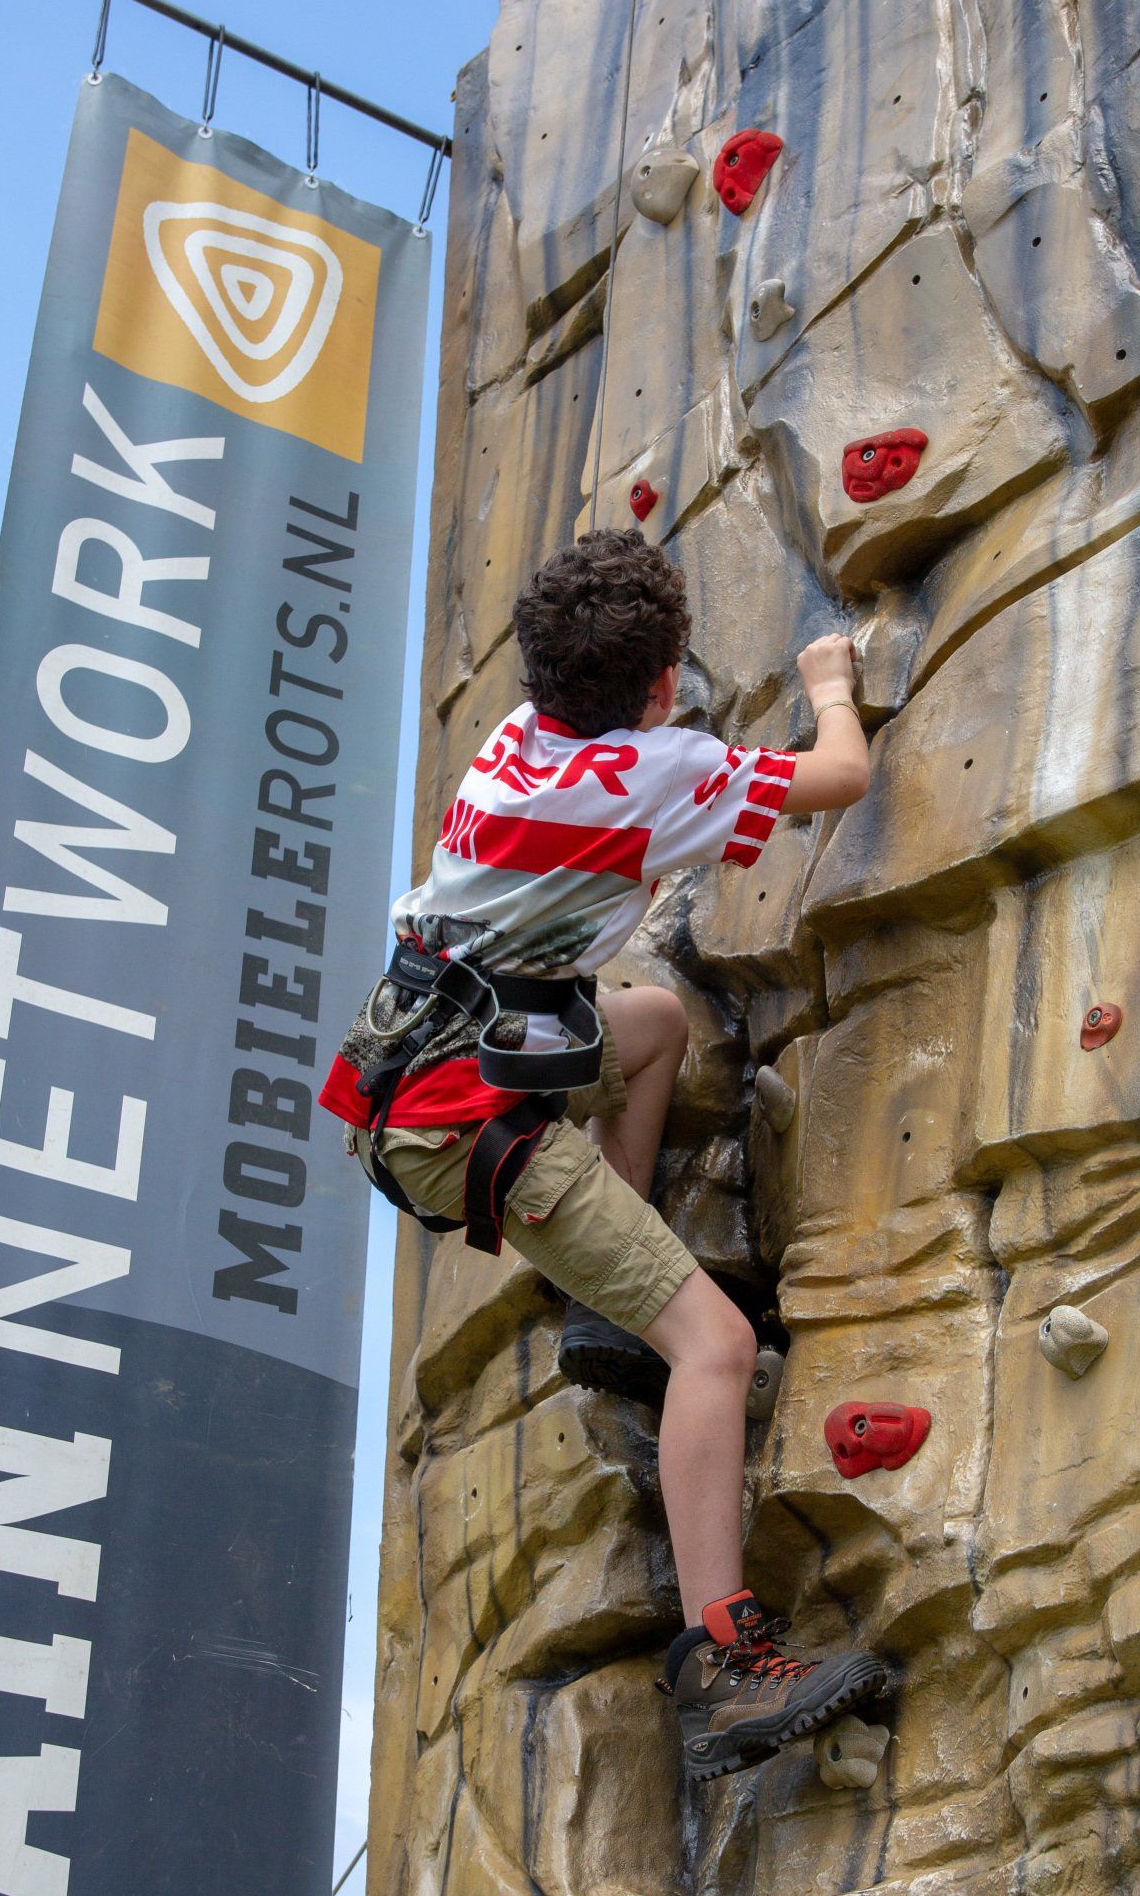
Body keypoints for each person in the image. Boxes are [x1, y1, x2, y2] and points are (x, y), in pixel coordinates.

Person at [319, 527, 887, 1779]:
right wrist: (832, 685)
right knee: (716, 1346)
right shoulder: (655, 773)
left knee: (655, 1024)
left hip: (419, 1066)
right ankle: (725, 1660)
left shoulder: (516, 741)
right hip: (474, 1119)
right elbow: (839, 776)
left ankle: (605, 1300)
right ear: (662, 678)